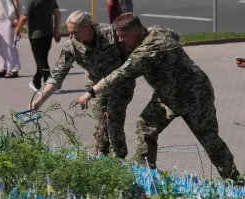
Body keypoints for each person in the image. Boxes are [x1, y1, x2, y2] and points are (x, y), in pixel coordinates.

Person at [78, 13, 242, 182]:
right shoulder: (157, 30)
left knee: (209, 140)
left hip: (195, 95)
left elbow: (119, 75)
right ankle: (146, 177)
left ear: (135, 32)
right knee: (145, 127)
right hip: (167, 97)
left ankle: (235, 182)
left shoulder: (145, 52)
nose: (120, 41)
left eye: (123, 36)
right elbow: (173, 34)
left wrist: (91, 92)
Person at [29, 10, 136, 159]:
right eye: (70, 33)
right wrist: (41, 98)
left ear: (87, 26)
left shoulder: (111, 33)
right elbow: (58, 74)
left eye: (76, 32)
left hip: (120, 83)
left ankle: (119, 158)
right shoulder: (71, 45)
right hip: (95, 86)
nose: (72, 36)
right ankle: (102, 157)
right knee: (100, 124)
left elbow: (132, 53)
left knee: (113, 119)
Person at [14, 0, 62, 90]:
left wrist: (17, 30)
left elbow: (24, 17)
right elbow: (57, 14)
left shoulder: (31, 1)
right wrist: (56, 30)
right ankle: (36, 82)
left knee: (41, 60)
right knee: (42, 59)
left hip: (36, 35)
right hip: (48, 33)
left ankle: (50, 83)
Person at [0, 0, 21, 78]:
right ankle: (3, 68)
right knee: (0, 46)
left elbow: (15, 2)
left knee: (10, 45)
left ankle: (13, 69)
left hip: (8, 20)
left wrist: (16, 17)